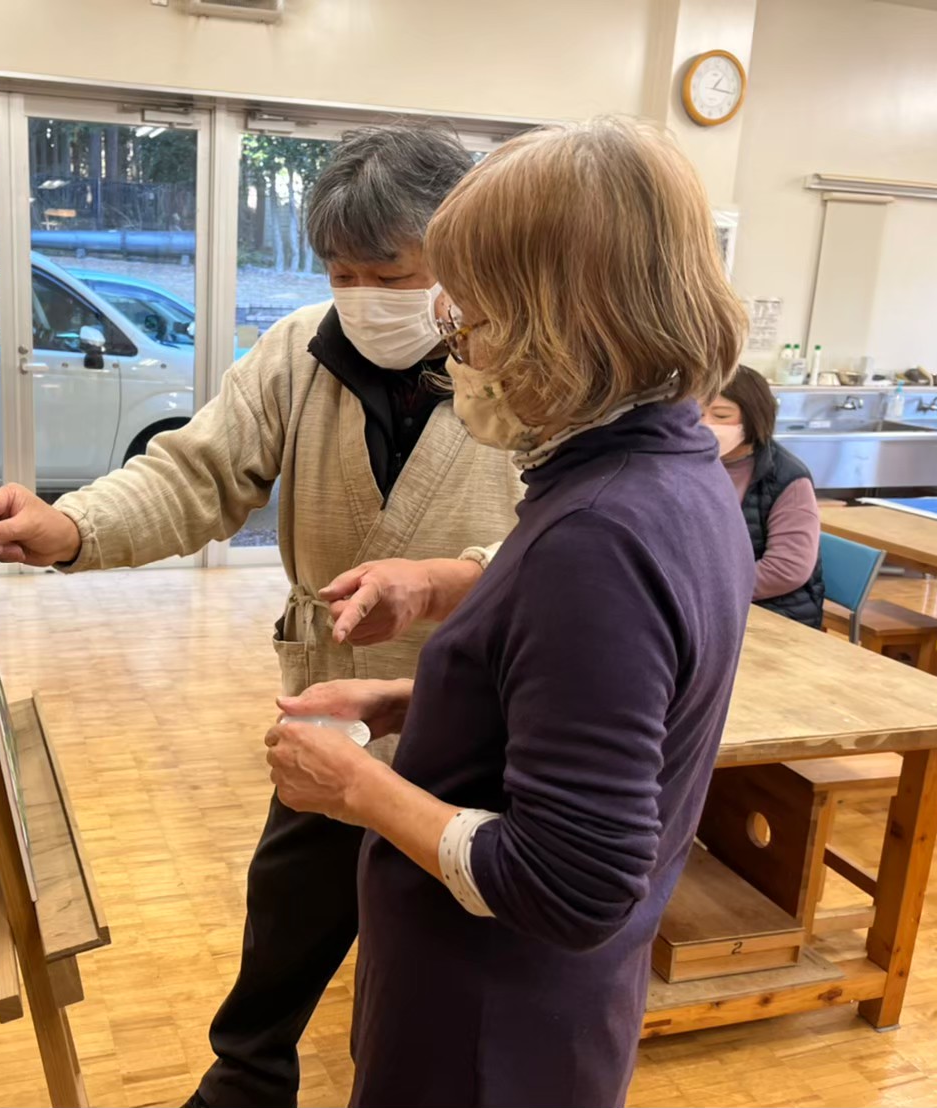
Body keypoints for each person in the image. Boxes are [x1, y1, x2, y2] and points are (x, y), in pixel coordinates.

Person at [0, 123, 522, 1108]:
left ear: (457, 255)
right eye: (340, 272)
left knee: (434, 949)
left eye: (389, 273)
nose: (363, 294)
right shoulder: (297, 352)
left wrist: (444, 578)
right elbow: (197, 472)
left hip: (471, 707)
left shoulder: (521, 366)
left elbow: (555, 542)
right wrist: (72, 525)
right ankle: (246, 1082)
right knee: (285, 920)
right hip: (328, 700)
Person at [265, 118, 755, 1108]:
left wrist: (356, 785)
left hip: (488, 1034)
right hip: (522, 1015)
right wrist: (416, 700)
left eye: (471, 323)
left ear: (561, 321)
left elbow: (570, 883)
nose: (460, 353)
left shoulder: (597, 534)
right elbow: (583, 702)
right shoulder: (673, 469)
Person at [703, 365, 825, 627]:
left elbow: (787, 569)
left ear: (753, 416)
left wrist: (709, 593)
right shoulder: (691, 464)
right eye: (697, 414)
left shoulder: (786, 478)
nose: (706, 425)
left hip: (773, 611)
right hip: (708, 606)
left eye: (721, 415)